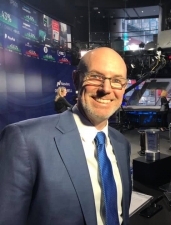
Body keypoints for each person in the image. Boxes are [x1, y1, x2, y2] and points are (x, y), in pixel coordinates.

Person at [0, 47, 132, 225]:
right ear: (77, 79)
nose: (106, 89)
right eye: (96, 77)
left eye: (117, 81)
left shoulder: (121, 143)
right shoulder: (25, 140)